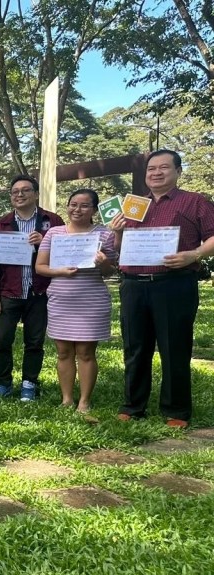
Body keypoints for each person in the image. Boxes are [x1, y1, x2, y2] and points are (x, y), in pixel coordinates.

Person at [109, 149, 214, 428]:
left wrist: (194, 255)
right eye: (151, 169)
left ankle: (176, 410)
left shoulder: (195, 202)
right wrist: (118, 231)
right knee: (135, 347)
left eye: (163, 167)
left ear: (178, 171)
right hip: (133, 285)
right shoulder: (134, 205)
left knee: (174, 346)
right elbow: (121, 248)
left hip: (174, 284)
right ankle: (132, 406)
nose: (155, 173)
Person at [35, 189, 117, 418]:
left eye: (84, 205)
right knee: (63, 352)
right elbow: (40, 267)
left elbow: (111, 272)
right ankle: (66, 399)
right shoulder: (54, 233)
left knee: (86, 352)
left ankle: (84, 401)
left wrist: (103, 263)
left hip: (91, 300)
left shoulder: (104, 235)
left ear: (93, 209)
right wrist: (60, 270)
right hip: (61, 299)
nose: (76, 209)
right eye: (73, 204)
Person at [0, 175, 64, 402]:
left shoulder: (53, 221)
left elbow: (67, 253)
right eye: (14, 192)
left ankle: (29, 383)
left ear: (36, 194)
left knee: (34, 341)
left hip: (39, 292)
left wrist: (46, 242)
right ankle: (3, 383)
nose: (19, 195)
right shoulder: (2, 223)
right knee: (1, 341)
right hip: (9, 292)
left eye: (25, 190)